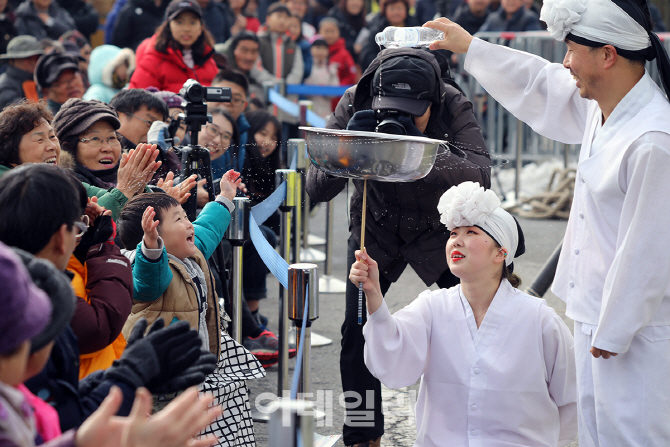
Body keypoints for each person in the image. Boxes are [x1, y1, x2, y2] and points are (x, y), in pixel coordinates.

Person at [425, 0, 670, 443]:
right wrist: (472, 47)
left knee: (636, 434)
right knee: (597, 432)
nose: (566, 62)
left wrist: (615, 328)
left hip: (638, 325)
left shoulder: (653, 138)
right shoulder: (605, 106)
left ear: (608, 54)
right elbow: (540, 82)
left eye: (572, 49)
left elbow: (649, 249)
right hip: (597, 312)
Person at [306, 48, 491, 447]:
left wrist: (417, 147)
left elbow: (481, 174)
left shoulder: (453, 101)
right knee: (356, 333)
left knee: (476, 325)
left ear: (433, 101)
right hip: (377, 227)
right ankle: (360, 434)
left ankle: (475, 427)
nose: (401, 115)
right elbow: (316, 185)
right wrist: (352, 145)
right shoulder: (358, 97)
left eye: (413, 109)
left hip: (436, 232)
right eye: (393, 107)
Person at [351, 181, 577, 445]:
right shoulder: (433, 307)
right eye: (452, 233)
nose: (457, 240)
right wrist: (373, 293)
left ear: (501, 252)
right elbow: (391, 363)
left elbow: (572, 398)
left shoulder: (538, 319)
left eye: (470, 232)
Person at [0, 164, 217, 431]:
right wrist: (129, 378)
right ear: (60, 237)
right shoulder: (39, 297)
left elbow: (64, 396)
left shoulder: (28, 276)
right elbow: (63, 419)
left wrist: (120, 375)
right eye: (77, 226)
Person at [128, 0, 218, 93]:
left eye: (192, 22)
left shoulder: (209, 61)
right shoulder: (153, 61)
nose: (186, 29)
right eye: (179, 22)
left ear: (201, 27)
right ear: (168, 25)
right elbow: (137, 101)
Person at [356, 0, 421, 72]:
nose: (396, 12)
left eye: (399, 8)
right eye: (392, 8)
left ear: (406, 9)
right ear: (385, 11)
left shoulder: (415, 29)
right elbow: (367, 54)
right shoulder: (378, 30)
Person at [208, 69, 251, 173]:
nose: (227, 103)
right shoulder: (189, 124)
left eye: (235, 99)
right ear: (207, 95)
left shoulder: (242, 130)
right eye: (221, 94)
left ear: (244, 106)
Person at [0, 35, 43, 109]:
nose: (34, 62)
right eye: (27, 58)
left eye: (37, 58)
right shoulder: (5, 86)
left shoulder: (39, 79)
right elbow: (23, 115)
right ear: (12, 61)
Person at [304, 36, 339, 117]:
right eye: (318, 48)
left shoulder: (331, 68)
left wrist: (324, 91)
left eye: (324, 48)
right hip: (308, 107)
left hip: (325, 109)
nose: (321, 51)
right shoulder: (307, 67)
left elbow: (335, 89)